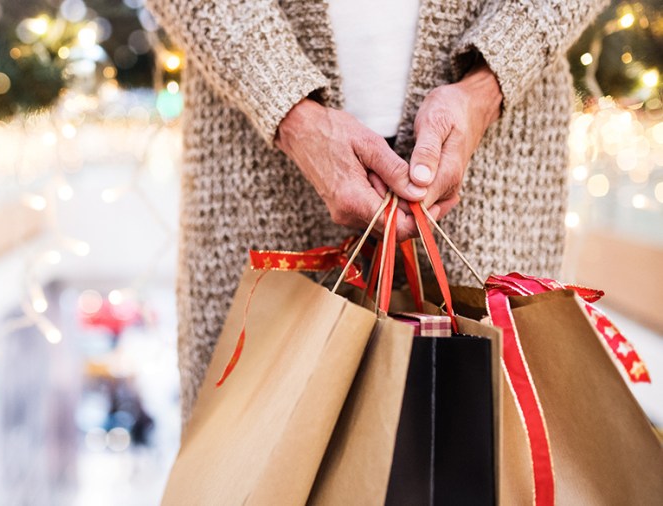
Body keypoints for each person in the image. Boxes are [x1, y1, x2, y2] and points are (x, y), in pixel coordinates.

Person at [145, 0, 608, 423]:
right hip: (259, 157)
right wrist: (286, 106)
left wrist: (491, 82)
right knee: (251, 447)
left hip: (495, 151)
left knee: (482, 444)